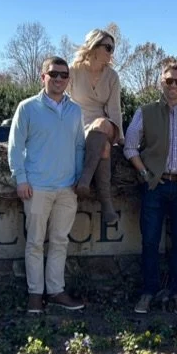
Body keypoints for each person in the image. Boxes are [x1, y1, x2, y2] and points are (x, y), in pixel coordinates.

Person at [7, 56, 87, 314]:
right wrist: (21, 179)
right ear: (43, 77)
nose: (59, 79)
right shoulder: (28, 108)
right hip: (37, 187)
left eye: (64, 75)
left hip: (66, 189)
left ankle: (55, 291)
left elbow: (79, 145)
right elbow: (16, 146)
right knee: (35, 242)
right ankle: (34, 295)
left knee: (60, 241)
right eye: (54, 74)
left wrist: (77, 177)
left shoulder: (75, 110)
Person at [123, 59, 177, 316]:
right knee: (150, 241)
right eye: (169, 81)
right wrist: (144, 173)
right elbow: (130, 146)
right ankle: (148, 292)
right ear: (161, 82)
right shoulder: (145, 111)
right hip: (155, 185)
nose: (173, 86)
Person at [69, 28, 123, 224]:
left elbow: (115, 109)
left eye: (112, 48)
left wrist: (120, 137)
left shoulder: (112, 76)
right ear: (94, 47)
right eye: (108, 47)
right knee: (104, 148)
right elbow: (60, 99)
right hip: (79, 125)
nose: (111, 52)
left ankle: (85, 179)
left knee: (101, 126)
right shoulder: (73, 70)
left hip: (105, 124)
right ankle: (107, 205)